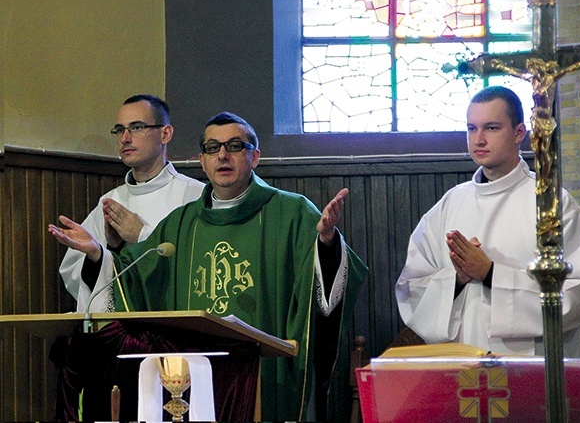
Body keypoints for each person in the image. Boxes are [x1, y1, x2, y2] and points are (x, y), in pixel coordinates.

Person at [49, 111, 368, 422]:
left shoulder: (292, 214)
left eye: (235, 146)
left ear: (254, 157)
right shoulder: (180, 224)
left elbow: (324, 296)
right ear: (202, 161)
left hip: (264, 376)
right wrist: (96, 255)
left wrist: (326, 244)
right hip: (191, 377)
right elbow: (134, 279)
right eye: (212, 148)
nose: (223, 156)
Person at [396, 86, 580, 357]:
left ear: (519, 133)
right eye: (471, 128)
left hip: (533, 373)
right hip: (463, 370)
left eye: (491, 128)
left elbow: (574, 297)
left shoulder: (552, 205)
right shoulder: (449, 205)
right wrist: (457, 278)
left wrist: (490, 273)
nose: (478, 139)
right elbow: (412, 289)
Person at [58, 94, 205, 312]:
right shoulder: (110, 202)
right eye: (119, 130)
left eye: (136, 127)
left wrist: (142, 236)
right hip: (122, 329)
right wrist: (103, 251)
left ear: (165, 134)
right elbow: (73, 274)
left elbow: (202, 266)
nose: (125, 138)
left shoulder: (195, 195)